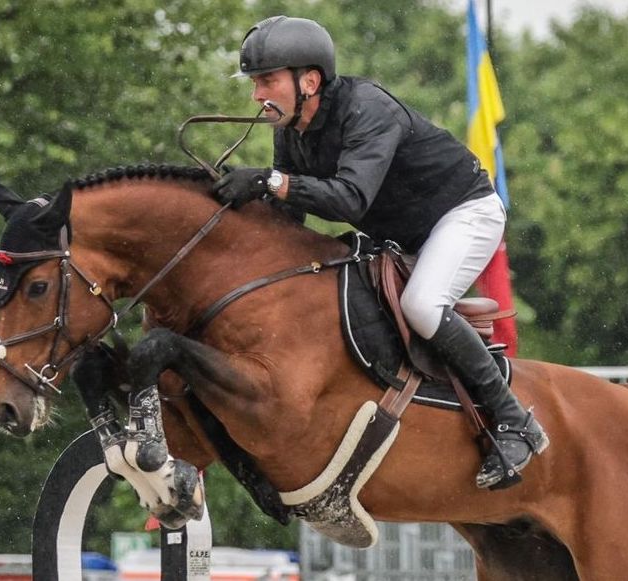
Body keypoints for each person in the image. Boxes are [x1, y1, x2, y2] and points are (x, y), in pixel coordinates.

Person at [212, 15, 548, 490]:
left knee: (422, 305)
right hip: (404, 235)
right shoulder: (290, 129)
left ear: (309, 81)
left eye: (266, 81)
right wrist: (237, 215)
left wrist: (271, 180)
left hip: (464, 213)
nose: (256, 94)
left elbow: (350, 199)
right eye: (254, 83)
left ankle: (515, 420)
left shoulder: (367, 109)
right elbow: (289, 220)